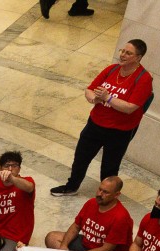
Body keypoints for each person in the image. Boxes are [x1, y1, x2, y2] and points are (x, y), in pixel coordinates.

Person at [52, 41, 152, 195]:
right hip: (95, 124)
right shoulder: (112, 69)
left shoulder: (143, 79)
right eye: (122, 51)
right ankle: (72, 186)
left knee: (109, 166)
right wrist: (94, 99)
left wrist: (108, 98)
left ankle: (107, 195)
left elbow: (130, 107)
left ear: (138, 57)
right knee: (81, 157)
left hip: (119, 131)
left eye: (128, 53)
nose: (122, 55)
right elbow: (90, 89)